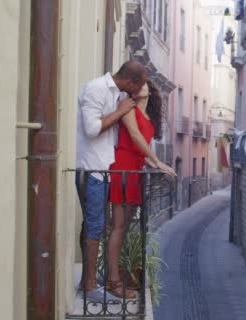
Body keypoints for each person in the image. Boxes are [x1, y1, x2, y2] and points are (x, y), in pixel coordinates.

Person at [76, 60, 147, 302]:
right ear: (130, 81)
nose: (136, 94)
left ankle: (91, 280)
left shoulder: (116, 93)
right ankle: (89, 287)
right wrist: (120, 112)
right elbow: (91, 129)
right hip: (92, 170)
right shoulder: (96, 89)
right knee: (94, 226)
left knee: (94, 225)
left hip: (104, 170)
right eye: (138, 88)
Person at [107, 80, 175, 298]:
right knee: (118, 226)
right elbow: (134, 137)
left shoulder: (148, 118)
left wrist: (154, 164)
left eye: (144, 83)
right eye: (137, 84)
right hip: (123, 166)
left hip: (135, 169)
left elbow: (141, 149)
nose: (141, 86)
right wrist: (158, 160)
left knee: (125, 228)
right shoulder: (129, 107)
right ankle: (113, 281)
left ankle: (118, 274)